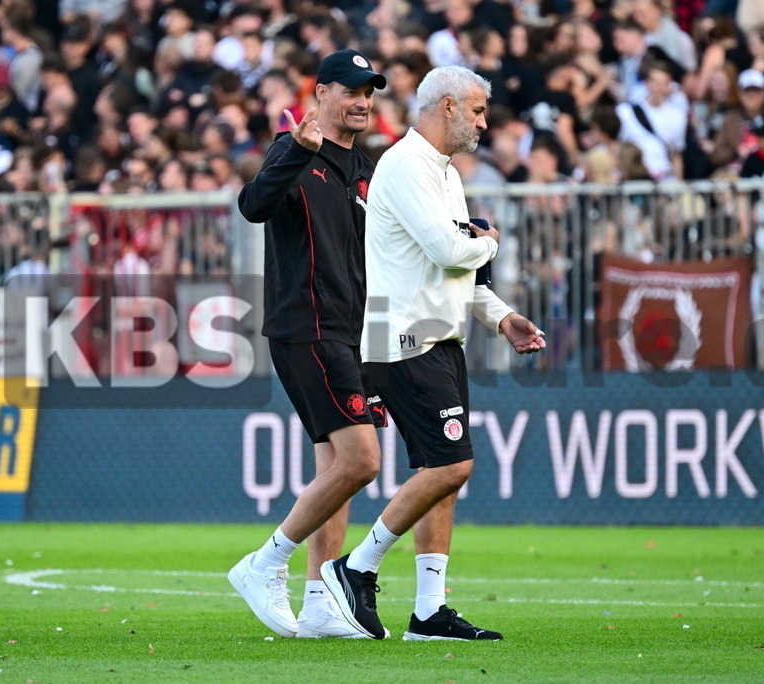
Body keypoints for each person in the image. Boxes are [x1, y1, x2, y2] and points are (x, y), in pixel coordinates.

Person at [320, 65, 546, 641]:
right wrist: (488, 242)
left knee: (441, 475)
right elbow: (450, 249)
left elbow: (454, 268)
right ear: (447, 106)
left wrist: (502, 317)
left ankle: (429, 612)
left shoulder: (443, 172)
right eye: (477, 110)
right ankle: (357, 566)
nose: (483, 122)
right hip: (405, 338)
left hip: (440, 337)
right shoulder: (405, 165)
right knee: (453, 464)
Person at [228, 50, 388, 639]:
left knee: (336, 465)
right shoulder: (293, 149)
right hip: (308, 325)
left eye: (369, 91)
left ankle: (320, 600)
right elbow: (253, 206)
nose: (362, 101)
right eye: (351, 90)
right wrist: (297, 150)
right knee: (361, 461)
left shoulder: (367, 168)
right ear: (321, 93)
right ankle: (265, 562)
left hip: (351, 331)